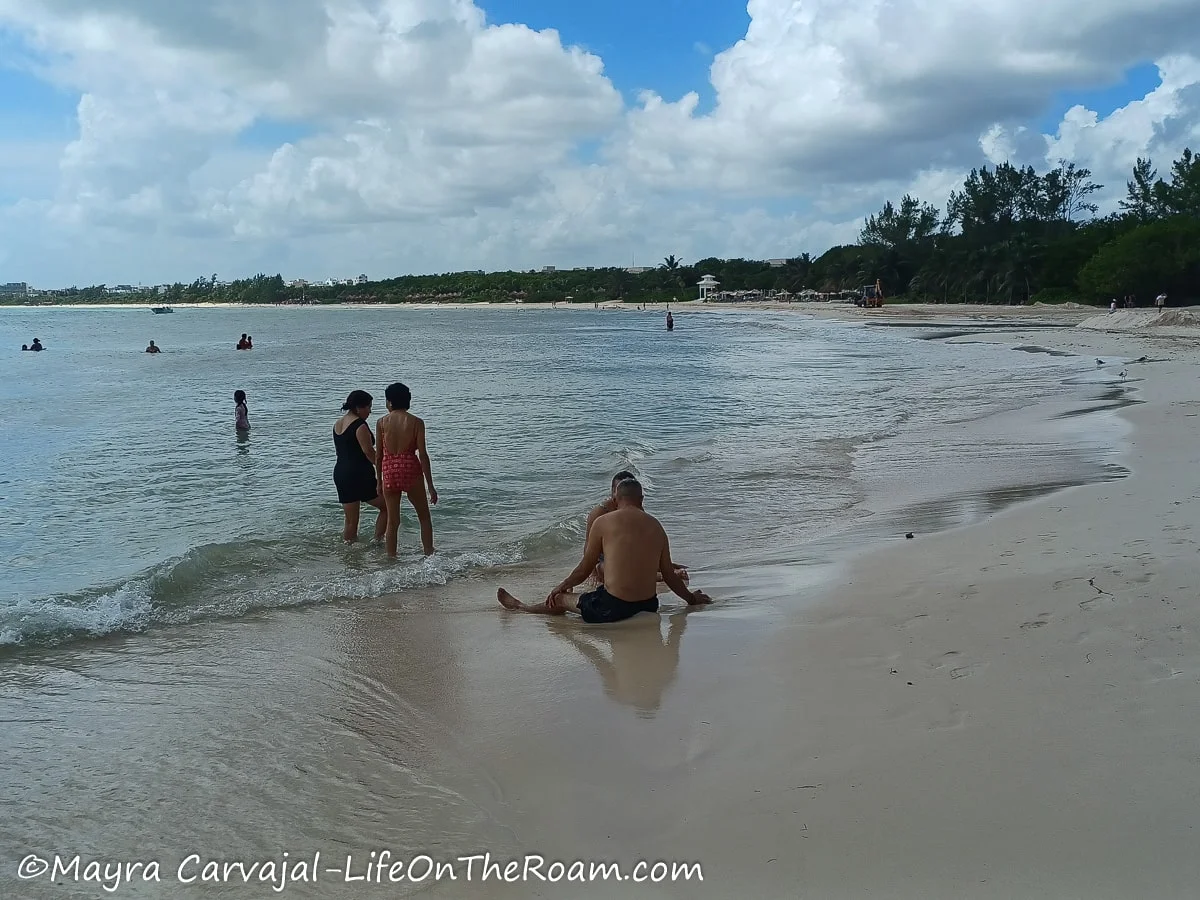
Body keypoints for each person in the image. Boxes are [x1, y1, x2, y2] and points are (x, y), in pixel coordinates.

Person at [497, 477, 710, 623]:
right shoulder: (656, 526)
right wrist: (691, 599)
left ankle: (520, 606)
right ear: (641, 499)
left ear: (616, 500)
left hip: (612, 609)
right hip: (648, 605)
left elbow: (584, 568)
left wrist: (561, 586)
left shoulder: (603, 521)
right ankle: (527, 605)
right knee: (593, 593)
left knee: (561, 598)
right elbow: (670, 576)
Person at [585, 471, 688, 586]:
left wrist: (661, 563)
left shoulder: (636, 509)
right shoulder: (599, 513)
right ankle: (662, 576)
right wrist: (592, 573)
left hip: (628, 552)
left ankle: (665, 571)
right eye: (618, 489)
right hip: (606, 558)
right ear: (612, 491)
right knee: (611, 569)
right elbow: (588, 546)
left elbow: (644, 539)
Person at [375, 382, 437, 557]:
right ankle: (429, 554)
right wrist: (430, 486)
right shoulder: (416, 422)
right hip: (410, 468)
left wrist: (379, 481)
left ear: (390, 402)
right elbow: (423, 455)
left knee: (393, 522)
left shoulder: (381, 423)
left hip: (390, 471)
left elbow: (378, 456)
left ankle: (391, 558)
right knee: (424, 517)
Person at [333, 390, 387, 544]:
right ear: (358, 407)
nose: (370, 411)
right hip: (359, 474)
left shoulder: (338, 423)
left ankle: (349, 553)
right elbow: (369, 452)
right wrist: (383, 467)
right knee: (387, 508)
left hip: (341, 473)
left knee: (350, 521)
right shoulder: (360, 425)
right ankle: (377, 542)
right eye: (368, 407)